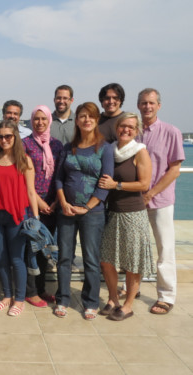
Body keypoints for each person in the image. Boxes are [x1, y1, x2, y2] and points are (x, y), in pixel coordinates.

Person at [54, 102, 113, 320]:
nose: (86, 120)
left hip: (92, 213)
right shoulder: (68, 148)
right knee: (64, 257)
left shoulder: (105, 148)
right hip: (67, 211)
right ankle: (62, 298)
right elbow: (59, 179)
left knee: (90, 258)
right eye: (82, 116)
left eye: (91, 116)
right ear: (76, 120)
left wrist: (86, 207)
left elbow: (104, 184)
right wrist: (64, 203)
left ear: (97, 120)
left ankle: (90, 302)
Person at [98, 113, 154, 321]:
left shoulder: (140, 152)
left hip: (133, 214)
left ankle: (128, 305)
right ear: (117, 128)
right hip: (112, 213)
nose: (126, 130)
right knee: (106, 260)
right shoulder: (110, 150)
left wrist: (116, 185)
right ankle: (113, 299)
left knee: (132, 262)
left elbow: (144, 184)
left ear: (136, 130)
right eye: (122, 126)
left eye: (131, 127)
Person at [137, 88, 185, 315]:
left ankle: (166, 295)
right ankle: (131, 286)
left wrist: (151, 193)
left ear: (159, 105)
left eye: (151, 103)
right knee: (134, 246)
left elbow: (174, 170)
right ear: (138, 105)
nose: (147, 106)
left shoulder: (171, 131)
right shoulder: (133, 132)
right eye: (143, 103)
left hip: (161, 200)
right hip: (134, 201)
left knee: (165, 248)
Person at [0, 120, 38, 317]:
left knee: (17, 259)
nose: (4, 139)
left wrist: (35, 218)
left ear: (15, 137)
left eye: (8, 136)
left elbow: (31, 192)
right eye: (0, 136)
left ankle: (19, 299)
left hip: (18, 215)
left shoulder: (24, 160)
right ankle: (7, 296)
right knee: (1, 258)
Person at [23, 105, 64, 308]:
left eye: (43, 119)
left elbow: (61, 176)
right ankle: (31, 291)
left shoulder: (57, 145)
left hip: (53, 205)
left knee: (45, 250)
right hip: (32, 204)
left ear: (49, 120)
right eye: (36, 119)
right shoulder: (25, 144)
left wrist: (55, 202)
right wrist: (40, 203)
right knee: (32, 247)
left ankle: (41, 289)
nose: (40, 122)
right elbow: (23, 179)